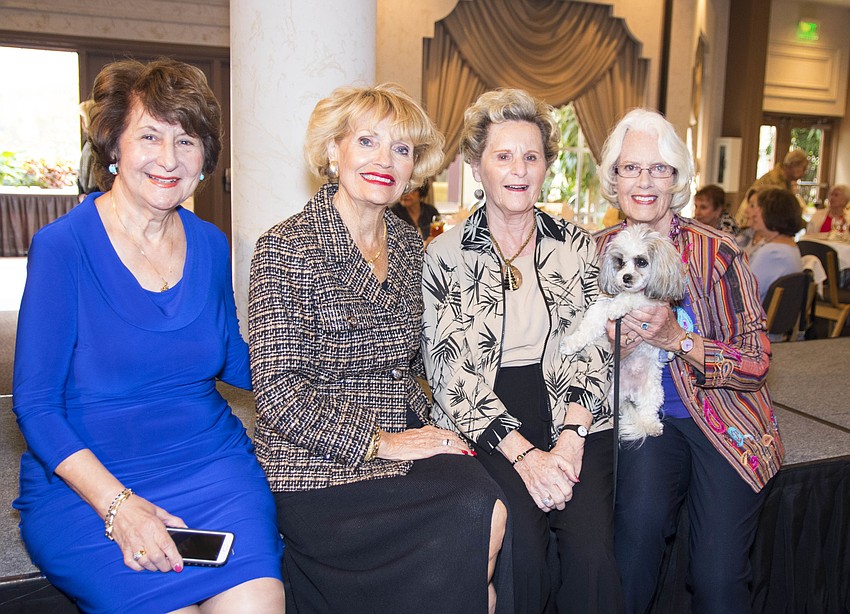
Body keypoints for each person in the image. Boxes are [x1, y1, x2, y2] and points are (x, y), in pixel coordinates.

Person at [12, 59, 284, 613]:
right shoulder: (62, 247)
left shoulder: (210, 244)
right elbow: (36, 405)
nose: (168, 159)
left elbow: (233, 356)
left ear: (206, 158)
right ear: (113, 145)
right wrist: (120, 507)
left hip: (211, 469)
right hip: (89, 485)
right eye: (150, 136)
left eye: (187, 141)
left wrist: (326, 371)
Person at [248, 83, 509, 614]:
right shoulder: (286, 245)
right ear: (332, 151)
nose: (384, 161)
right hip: (317, 465)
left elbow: (415, 363)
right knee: (474, 512)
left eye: (402, 149)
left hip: (402, 435)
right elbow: (278, 393)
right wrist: (383, 443)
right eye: (367, 142)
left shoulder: (409, 241)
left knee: (496, 506)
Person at [422, 88, 620, 614]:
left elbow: (592, 348)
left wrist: (571, 442)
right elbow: (449, 374)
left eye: (531, 156)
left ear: (546, 166)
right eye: (502, 155)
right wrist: (529, 457)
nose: (518, 169)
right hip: (487, 414)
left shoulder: (577, 245)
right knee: (522, 552)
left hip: (572, 406)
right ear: (475, 164)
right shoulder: (445, 254)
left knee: (592, 549)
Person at [595, 108, 784, 614]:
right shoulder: (595, 252)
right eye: (631, 167)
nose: (645, 181)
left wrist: (680, 339)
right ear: (614, 177)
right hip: (646, 421)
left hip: (726, 421)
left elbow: (756, 361)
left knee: (718, 578)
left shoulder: (717, 252)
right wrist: (608, 348)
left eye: (659, 168)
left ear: (677, 178)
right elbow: (571, 357)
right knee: (632, 550)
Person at [746, 187, 804, 302]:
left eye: (760, 208)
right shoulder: (789, 247)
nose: (754, 214)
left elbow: (743, 294)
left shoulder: (773, 253)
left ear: (774, 214)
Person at [735, 149, 808, 227]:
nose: (804, 173)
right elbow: (782, 212)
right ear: (793, 164)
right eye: (803, 168)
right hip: (749, 225)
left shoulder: (784, 180)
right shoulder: (775, 181)